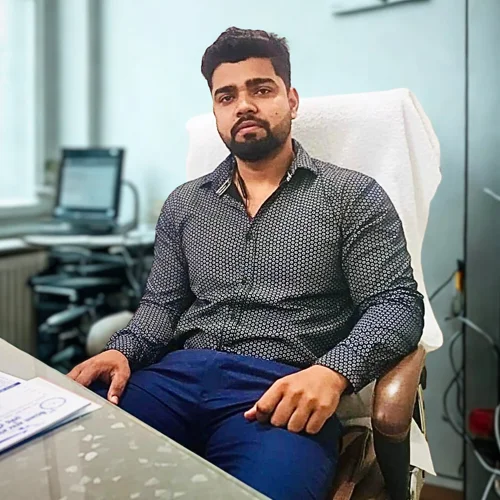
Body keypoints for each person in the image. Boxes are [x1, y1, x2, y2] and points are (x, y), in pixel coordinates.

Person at [68, 27, 424, 500]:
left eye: (261, 89)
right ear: (216, 111)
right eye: (227, 96)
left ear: (291, 100)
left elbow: (396, 304)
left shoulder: (351, 196)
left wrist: (333, 372)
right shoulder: (185, 204)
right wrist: (123, 350)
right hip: (174, 381)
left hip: (278, 391)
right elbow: (161, 306)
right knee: (71, 461)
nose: (244, 106)